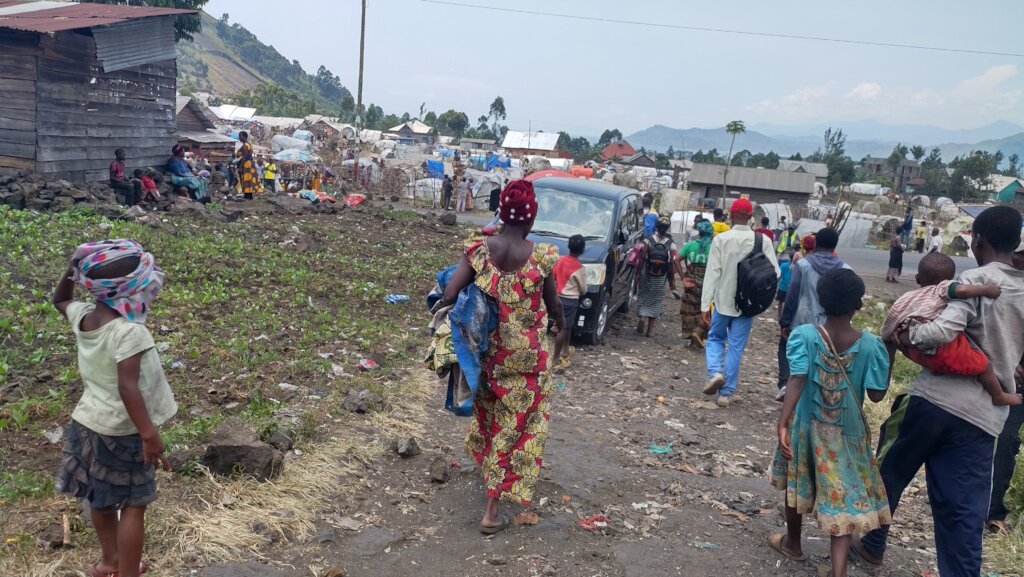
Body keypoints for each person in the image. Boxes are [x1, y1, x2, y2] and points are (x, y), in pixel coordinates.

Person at [854, 206, 1024, 576]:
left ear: (979, 239)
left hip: (935, 402)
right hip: (984, 420)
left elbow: (939, 333)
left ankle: (872, 543)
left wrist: (905, 336)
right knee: (964, 513)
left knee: (889, 469)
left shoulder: (977, 279)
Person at [440, 180, 564, 534]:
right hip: (529, 363)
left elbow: (450, 292)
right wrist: (563, 330)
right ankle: (492, 509)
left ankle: (491, 474)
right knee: (518, 427)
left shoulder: (481, 250)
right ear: (532, 216)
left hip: (489, 358)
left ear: (502, 213)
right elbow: (554, 306)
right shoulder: (541, 257)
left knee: (492, 419)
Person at [52, 239, 177, 577]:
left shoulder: (85, 317)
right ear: (132, 291)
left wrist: (72, 265)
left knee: (100, 498)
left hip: (86, 424)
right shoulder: (129, 332)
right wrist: (149, 435)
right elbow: (128, 386)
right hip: (123, 432)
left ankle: (110, 562)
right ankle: (128, 572)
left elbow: (61, 299)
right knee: (135, 504)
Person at [769, 268, 891, 577]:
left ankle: (793, 543)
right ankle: (838, 572)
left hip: (806, 428)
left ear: (821, 300)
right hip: (847, 436)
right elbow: (876, 395)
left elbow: (796, 381)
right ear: (858, 305)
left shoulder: (804, 336)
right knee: (844, 499)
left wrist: (783, 424)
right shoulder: (871, 345)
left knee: (797, 483)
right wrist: (891, 356)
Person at [881, 251, 1020, 406]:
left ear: (918, 279)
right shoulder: (942, 287)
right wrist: (986, 290)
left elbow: (890, 322)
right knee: (985, 365)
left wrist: (896, 338)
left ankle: (939, 368)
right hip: (941, 350)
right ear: (952, 279)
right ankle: (999, 395)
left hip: (914, 350)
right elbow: (962, 291)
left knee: (943, 360)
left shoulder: (906, 297)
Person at [701, 198, 780, 406]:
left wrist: (704, 304)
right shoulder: (763, 241)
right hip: (748, 305)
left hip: (723, 301)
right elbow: (776, 273)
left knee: (716, 338)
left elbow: (712, 274)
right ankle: (726, 394)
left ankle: (715, 372)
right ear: (750, 218)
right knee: (736, 347)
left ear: (732, 215)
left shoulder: (721, 239)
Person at [778, 228, 848, 401]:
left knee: (787, 349)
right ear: (834, 246)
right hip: (830, 326)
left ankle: (786, 384)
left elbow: (792, 295)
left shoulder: (803, 265)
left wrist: (785, 321)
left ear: (816, 244)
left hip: (801, 322)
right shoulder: (845, 269)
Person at [988, 231, 1024, 533]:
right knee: (1006, 441)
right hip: (1010, 382)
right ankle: (992, 509)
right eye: (1020, 254)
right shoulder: (999, 287)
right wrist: (1006, 362)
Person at [636, 217, 679, 338]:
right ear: (667, 228)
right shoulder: (672, 244)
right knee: (655, 301)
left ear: (656, 226)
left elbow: (642, 257)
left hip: (647, 273)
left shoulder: (648, 240)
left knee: (644, 295)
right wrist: (672, 281)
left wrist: (638, 273)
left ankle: (642, 317)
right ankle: (649, 331)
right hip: (660, 277)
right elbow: (672, 263)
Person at [676, 219, 714, 348]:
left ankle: (693, 336)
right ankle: (698, 332)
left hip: (691, 282)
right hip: (708, 283)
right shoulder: (714, 247)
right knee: (707, 309)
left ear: (699, 232)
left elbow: (676, 260)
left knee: (690, 310)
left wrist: (683, 278)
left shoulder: (690, 245)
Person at [553, 235, 588, 368]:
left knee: (566, 325)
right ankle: (555, 358)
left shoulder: (560, 260)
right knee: (563, 328)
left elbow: (554, 276)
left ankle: (566, 350)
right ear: (582, 250)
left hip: (557, 297)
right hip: (570, 300)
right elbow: (583, 289)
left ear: (568, 246)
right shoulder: (579, 268)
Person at [236, 131, 258, 200]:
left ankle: (247, 196)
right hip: (250, 163)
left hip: (247, 163)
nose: (239, 138)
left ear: (244, 137)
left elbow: (244, 157)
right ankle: (248, 196)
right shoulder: (249, 144)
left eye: (240, 136)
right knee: (249, 179)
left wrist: (240, 167)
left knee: (246, 179)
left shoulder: (245, 146)